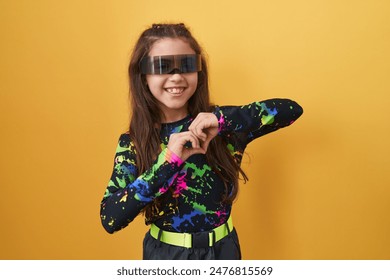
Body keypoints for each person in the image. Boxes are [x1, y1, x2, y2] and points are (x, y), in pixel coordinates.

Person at [100, 23, 303, 260]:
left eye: (187, 65)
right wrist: (167, 163)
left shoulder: (221, 127)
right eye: (161, 67)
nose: (176, 76)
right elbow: (110, 217)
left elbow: (291, 110)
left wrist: (224, 119)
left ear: (199, 72)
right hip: (166, 256)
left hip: (224, 250)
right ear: (143, 76)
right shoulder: (134, 142)